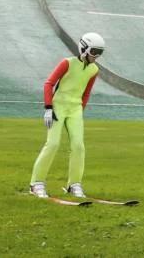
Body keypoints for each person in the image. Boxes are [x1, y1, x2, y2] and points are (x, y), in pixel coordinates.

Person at [28, 32, 105, 199]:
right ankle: (36, 183)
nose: (97, 56)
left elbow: (86, 93)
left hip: (75, 110)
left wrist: (80, 110)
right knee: (53, 144)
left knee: (78, 146)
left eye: (100, 52)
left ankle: (74, 184)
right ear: (84, 49)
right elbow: (49, 84)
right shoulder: (67, 63)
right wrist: (48, 108)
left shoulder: (94, 69)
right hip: (58, 107)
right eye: (94, 52)